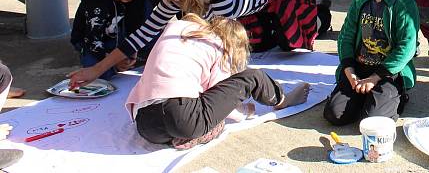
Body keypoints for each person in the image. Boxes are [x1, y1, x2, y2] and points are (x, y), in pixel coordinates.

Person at [68, 0, 318, 88]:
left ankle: (321, 17)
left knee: (291, 41)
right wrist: (97, 69)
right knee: (263, 41)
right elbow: (145, 33)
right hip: (246, 5)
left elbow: (223, 38)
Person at [126, 14, 310, 149]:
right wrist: (245, 111)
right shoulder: (218, 44)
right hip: (181, 117)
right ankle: (282, 100)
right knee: (252, 76)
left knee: (189, 106)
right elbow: (220, 94)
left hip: (145, 125)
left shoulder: (178, 29)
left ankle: (179, 136)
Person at [323, 0, 419, 125]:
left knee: (371, 121)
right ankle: (364, 97)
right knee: (334, 114)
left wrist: (375, 78)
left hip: (388, 73)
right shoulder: (360, 1)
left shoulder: (404, 4)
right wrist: (349, 71)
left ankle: (397, 97)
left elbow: (407, 47)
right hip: (359, 68)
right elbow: (346, 37)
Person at [70, 0, 152, 79]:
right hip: (92, 42)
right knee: (102, 75)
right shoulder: (97, 3)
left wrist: (132, 50)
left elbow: (137, 24)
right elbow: (92, 40)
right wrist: (113, 60)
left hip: (117, 37)